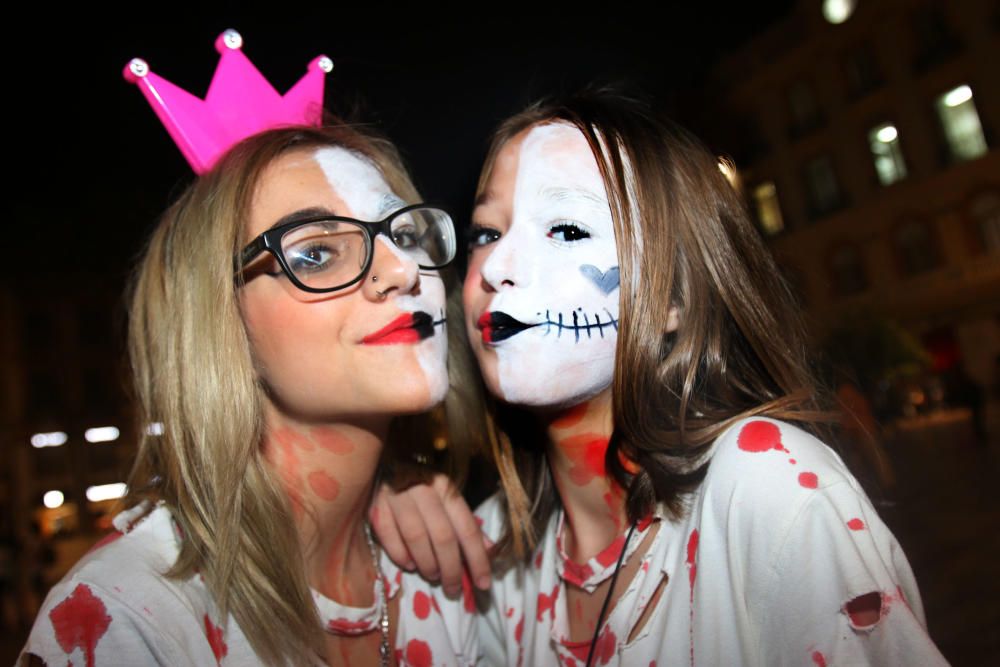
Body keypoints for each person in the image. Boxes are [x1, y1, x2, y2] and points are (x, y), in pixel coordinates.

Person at [376, 89, 947, 666]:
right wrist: (378, 502)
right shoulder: (490, 546)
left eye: (568, 230)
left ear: (674, 295)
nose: (496, 268)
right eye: (485, 234)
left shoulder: (767, 489)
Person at [20, 32, 478, 667]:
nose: (403, 271)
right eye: (315, 253)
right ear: (219, 322)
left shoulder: (449, 567)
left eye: (404, 232)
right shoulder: (125, 620)